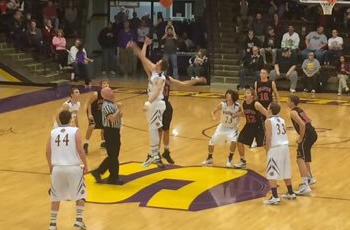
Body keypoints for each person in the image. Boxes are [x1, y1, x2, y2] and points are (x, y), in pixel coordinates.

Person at [133, 38, 201, 167]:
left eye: (158, 63)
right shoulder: (154, 71)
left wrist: (195, 81)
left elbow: (173, 86)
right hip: (155, 103)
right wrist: (143, 46)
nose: (155, 63)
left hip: (159, 103)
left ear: (161, 67)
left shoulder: (163, 78)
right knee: (154, 129)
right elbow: (143, 59)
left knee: (161, 129)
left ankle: (157, 153)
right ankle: (154, 154)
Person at [45, 109, 87, 230]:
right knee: (81, 194)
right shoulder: (75, 131)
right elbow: (80, 150)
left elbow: (47, 152)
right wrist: (85, 164)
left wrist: (50, 166)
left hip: (57, 168)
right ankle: (79, 219)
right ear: (70, 119)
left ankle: (52, 223)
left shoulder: (53, 132)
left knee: (55, 196)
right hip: (73, 167)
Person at [240, 71, 278, 168]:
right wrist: (235, 114)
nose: (245, 94)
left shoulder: (256, 104)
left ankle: (272, 162)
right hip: (249, 125)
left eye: (247, 92)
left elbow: (266, 113)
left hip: (258, 124)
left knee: (265, 144)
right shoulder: (244, 103)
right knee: (239, 141)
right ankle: (242, 160)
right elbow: (245, 113)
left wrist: (270, 122)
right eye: (245, 93)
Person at [262, 101, 297, 205]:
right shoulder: (282, 120)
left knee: (271, 171)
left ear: (271, 110)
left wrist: (268, 150)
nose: (267, 108)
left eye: (268, 107)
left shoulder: (268, 121)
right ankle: (291, 192)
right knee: (286, 169)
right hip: (285, 147)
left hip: (275, 147)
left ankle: (275, 196)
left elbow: (268, 137)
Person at [88, 86, 122, 185]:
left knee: (114, 155)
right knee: (113, 156)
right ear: (107, 94)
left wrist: (119, 113)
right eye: (111, 91)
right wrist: (119, 110)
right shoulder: (106, 106)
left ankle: (113, 177)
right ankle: (99, 172)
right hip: (110, 132)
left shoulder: (111, 104)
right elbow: (112, 118)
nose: (113, 91)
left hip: (115, 131)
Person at [203, 89, 242, 167]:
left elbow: (244, 114)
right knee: (211, 141)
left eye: (229, 94)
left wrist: (238, 114)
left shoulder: (238, 106)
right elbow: (213, 112)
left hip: (232, 128)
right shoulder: (222, 104)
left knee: (234, 141)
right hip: (222, 126)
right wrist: (213, 116)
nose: (227, 95)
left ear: (233, 96)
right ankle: (209, 158)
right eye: (227, 93)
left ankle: (230, 158)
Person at [288, 96, 318, 195]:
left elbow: (302, 124)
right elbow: (309, 120)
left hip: (307, 135)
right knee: (304, 157)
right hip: (312, 133)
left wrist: (301, 137)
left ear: (292, 102)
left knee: (299, 158)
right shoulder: (300, 110)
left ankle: (305, 185)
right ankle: (310, 178)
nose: (287, 102)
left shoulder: (293, 112)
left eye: (288, 100)